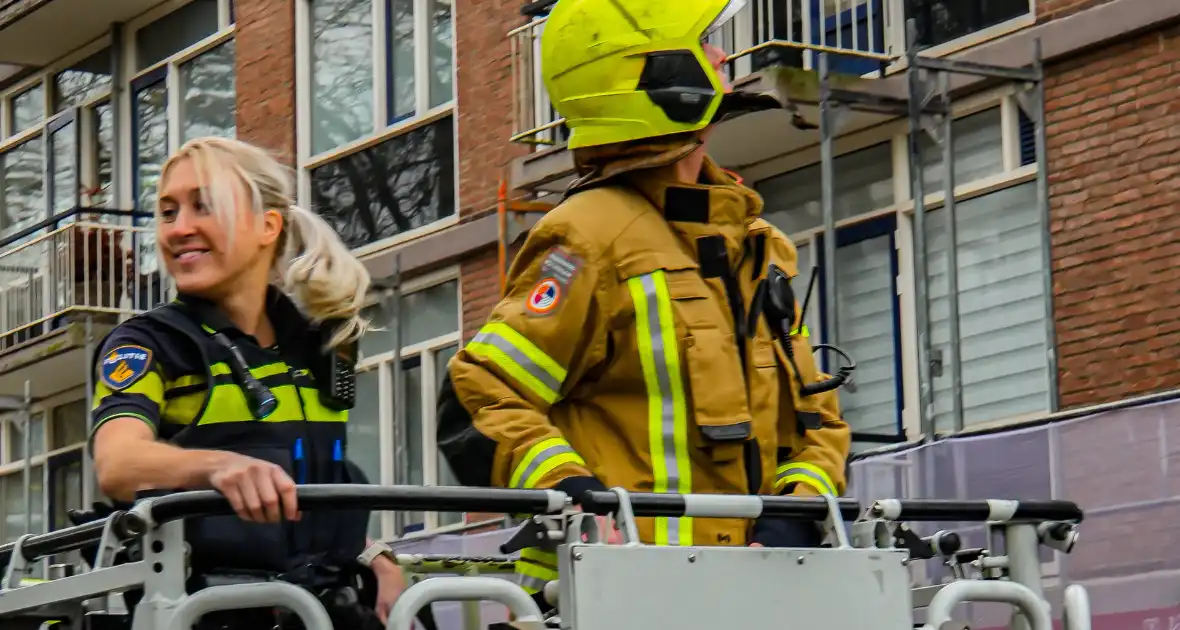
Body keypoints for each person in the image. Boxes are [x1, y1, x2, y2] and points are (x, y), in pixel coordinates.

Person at [437, 0, 851, 608]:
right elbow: (479, 398)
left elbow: (820, 420)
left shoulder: (760, 245)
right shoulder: (585, 236)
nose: (720, 56)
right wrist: (574, 497)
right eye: (702, 44)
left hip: (762, 593)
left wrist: (794, 514)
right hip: (621, 594)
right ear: (652, 75)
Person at [88, 136, 405, 630]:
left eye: (203, 206)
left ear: (267, 225)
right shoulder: (151, 343)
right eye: (168, 212)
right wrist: (218, 467)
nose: (179, 229)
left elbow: (300, 484)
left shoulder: (320, 347)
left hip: (323, 610)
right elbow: (117, 461)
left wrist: (374, 555)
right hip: (204, 614)